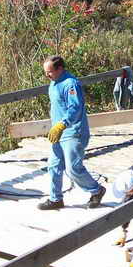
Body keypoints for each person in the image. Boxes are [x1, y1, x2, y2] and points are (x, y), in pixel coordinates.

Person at [37, 55, 106, 210]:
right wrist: (56, 127)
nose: (47, 75)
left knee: (73, 169)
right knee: (54, 166)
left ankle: (97, 190)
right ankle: (56, 199)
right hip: (58, 133)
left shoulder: (70, 84)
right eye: (45, 72)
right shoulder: (53, 84)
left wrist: (63, 124)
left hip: (73, 132)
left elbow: (75, 108)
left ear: (60, 68)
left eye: (49, 72)